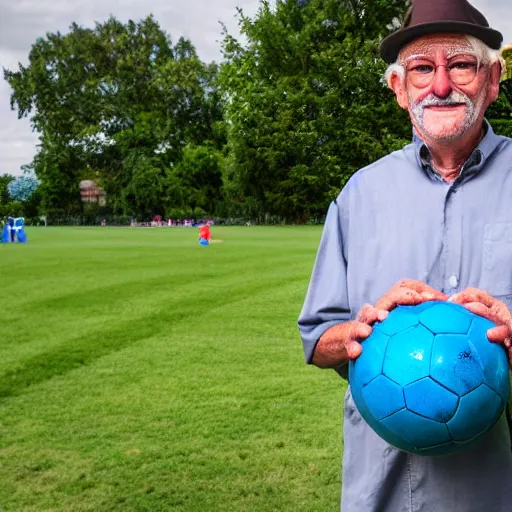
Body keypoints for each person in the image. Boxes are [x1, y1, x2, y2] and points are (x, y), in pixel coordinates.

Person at [298, 0, 512, 510]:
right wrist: (357, 334)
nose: (441, 86)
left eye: (460, 64)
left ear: (493, 78)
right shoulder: (360, 194)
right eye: (422, 68)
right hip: (385, 493)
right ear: (399, 88)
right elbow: (317, 338)